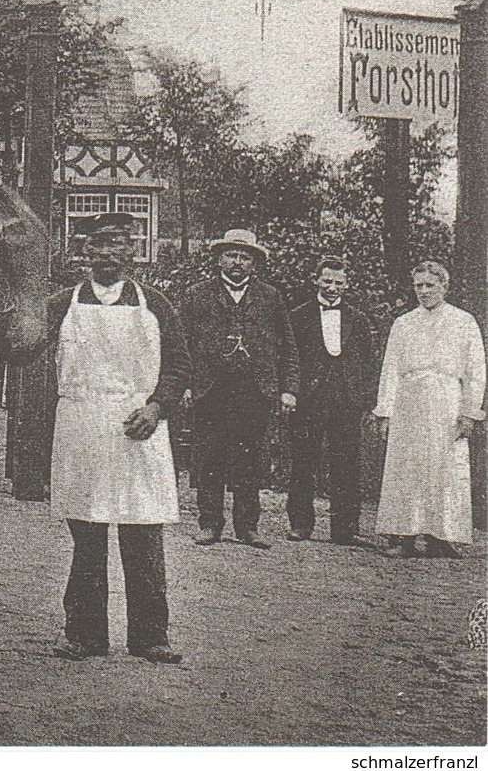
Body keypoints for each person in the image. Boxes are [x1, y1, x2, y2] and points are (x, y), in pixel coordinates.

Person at [48, 213, 191, 664]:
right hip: (83, 426)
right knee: (87, 535)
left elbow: (180, 367)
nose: (108, 255)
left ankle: (150, 636)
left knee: (143, 532)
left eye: (118, 246)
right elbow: (24, 347)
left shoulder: (156, 305)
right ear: (85, 253)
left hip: (138, 428)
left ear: (132, 253)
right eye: (99, 246)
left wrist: (156, 407)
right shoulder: (61, 304)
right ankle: (85, 634)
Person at [179, 228, 300, 549]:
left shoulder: (270, 297)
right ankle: (209, 524)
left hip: (254, 392)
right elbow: (182, 344)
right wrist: (186, 385)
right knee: (210, 459)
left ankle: (248, 527)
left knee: (250, 461)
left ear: (255, 263)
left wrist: (288, 389)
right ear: (219, 259)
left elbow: (287, 347)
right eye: (231, 255)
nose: (237, 262)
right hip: (211, 390)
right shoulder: (198, 295)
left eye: (244, 257)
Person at [371, 261, 486, 559]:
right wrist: (385, 410)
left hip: (447, 401)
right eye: (418, 285)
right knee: (406, 467)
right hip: (409, 401)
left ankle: (442, 536)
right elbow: (390, 369)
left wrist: (470, 411)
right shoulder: (403, 323)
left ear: (444, 287)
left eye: (429, 285)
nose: (423, 291)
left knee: (445, 467)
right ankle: (403, 536)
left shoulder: (463, 321)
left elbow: (475, 370)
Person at [286, 255, 381, 545]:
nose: (332, 287)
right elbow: (290, 357)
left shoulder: (358, 318)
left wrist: (365, 399)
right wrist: (292, 391)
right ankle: (301, 525)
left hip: (345, 401)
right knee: (304, 461)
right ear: (316, 280)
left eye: (339, 282)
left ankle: (345, 529)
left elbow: (368, 362)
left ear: (347, 285)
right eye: (327, 280)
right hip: (309, 400)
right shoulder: (298, 315)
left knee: (347, 464)